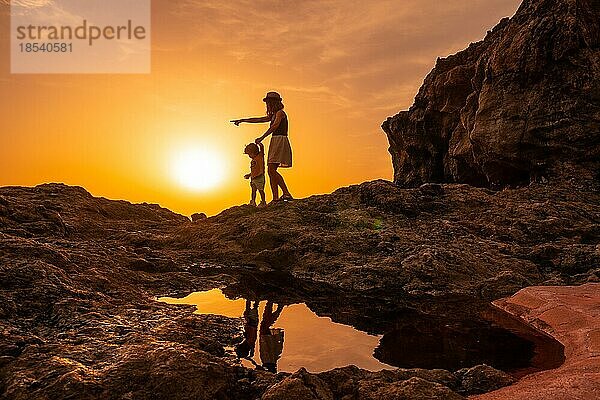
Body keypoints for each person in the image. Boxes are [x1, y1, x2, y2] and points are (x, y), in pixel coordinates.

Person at [231, 91, 293, 203]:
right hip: (275, 140)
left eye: (268, 103)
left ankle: (286, 192)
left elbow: (274, 126)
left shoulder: (280, 113)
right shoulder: (273, 115)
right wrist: (243, 120)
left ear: (273, 103)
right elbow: (258, 119)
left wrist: (262, 137)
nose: (267, 105)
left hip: (280, 140)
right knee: (271, 170)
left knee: (271, 169)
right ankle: (275, 198)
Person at [258, 301, 285, 373]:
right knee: (265, 324)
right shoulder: (268, 360)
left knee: (265, 323)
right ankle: (274, 306)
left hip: (266, 340)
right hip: (266, 339)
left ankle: (271, 305)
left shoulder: (272, 359)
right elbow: (266, 348)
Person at [243, 142, 266, 207]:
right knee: (253, 190)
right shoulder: (253, 160)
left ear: (254, 152)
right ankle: (253, 201)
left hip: (260, 177)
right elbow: (253, 171)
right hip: (253, 178)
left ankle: (263, 201)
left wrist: (260, 144)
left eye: (250, 154)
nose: (249, 156)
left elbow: (262, 150)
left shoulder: (259, 157)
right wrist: (249, 175)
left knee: (260, 190)